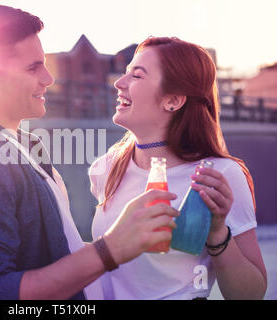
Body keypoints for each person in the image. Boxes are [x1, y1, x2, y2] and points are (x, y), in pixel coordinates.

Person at [0, 5, 179, 300]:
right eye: (32, 67)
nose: (48, 78)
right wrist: (110, 248)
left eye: (44, 64)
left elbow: (62, 253)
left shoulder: (21, 146)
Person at [89, 36, 267, 300]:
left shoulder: (219, 176)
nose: (119, 83)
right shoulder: (106, 167)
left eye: (136, 76)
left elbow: (251, 294)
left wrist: (217, 234)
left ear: (173, 100)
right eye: (126, 72)